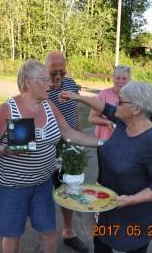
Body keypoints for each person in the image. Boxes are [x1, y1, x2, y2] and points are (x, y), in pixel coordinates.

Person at [0, 60, 97, 253]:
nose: (51, 84)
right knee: (12, 235)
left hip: (42, 183)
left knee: (49, 232)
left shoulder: (49, 104)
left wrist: (102, 143)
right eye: (45, 80)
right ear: (27, 82)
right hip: (12, 185)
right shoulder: (7, 109)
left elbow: (69, 133)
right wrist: (5, 150)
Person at [59, 81, 152, 253]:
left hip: (135, 213)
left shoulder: (151, 141)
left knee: (133, 248)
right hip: (109, 204)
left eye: (120, 101)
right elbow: (104, 107)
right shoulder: (124, 121)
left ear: (136, 109)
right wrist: (77, 97)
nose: (115, 104)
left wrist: (130, 199)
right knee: (101, 245)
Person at [45, 51, 88, 253]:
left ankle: (69, 232)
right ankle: (47, 237)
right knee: (44, 193)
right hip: (47, 147)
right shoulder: (40, 86)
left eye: (62, 69)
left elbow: (75, 111)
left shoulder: (71, 84)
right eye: (54, 69)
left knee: (69, 189)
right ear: (45, 68)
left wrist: (78, 139)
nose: (58, 74)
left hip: (69, 145)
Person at [88, 65, 131, 183]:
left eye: (124, 78)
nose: (121, 81)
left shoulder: (133, 96)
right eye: (118, 78)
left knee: (122, 172)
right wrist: (107, 122)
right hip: (105, 141)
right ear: (113, 78)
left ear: (130, 79)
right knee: (105, 174)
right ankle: (101, 195)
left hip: (126, 141)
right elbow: (91, 118)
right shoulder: (103, 95)